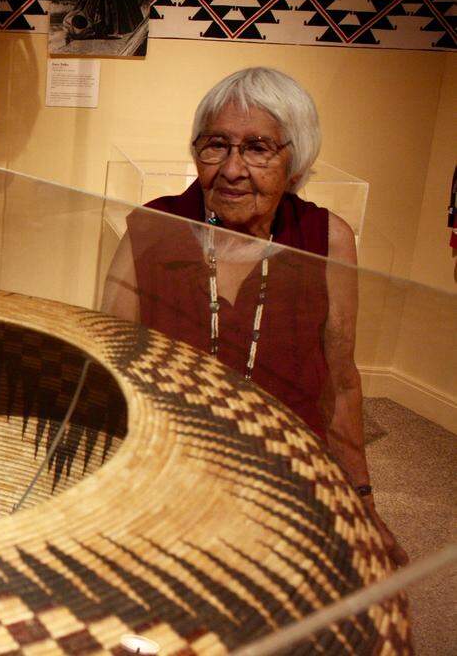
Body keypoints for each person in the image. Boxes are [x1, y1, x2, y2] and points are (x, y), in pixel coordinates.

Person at [102, 66, 408, 565]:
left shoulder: (327, 240)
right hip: (172, 467)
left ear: (296, 161)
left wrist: (364, 501)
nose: (232, 169)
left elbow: (341, 382)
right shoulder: (151, 229)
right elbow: (113, 371)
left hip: (287, 469)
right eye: (216, 144)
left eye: (258, 148)